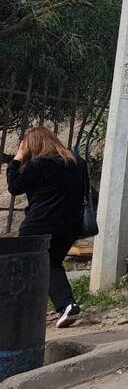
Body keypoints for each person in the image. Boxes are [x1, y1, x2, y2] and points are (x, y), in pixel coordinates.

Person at [3, 127, 86, 327]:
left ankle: (19, 311)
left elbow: (14, 186)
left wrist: (17, 158)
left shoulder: (37, 165)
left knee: (25, 266)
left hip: (39, 226)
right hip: (70, 226)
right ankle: (67, 305)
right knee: (50, 264)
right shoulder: (76, 162)